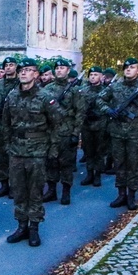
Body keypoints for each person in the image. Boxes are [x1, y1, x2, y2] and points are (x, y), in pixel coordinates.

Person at [2, 58, 60, 247]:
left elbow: (57, 123)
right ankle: (21, 226)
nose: (23, 73)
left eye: (28, 70)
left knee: (35, 191)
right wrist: (7, 146)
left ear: (36, 74)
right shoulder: (11, 96)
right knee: (19, 191)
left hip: (37, 151)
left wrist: (53, 149)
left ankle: (34, 228)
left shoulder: (45, 97)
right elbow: (5, 123)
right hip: (17, 151)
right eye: (21, 71)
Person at [97, 57, 138, 210]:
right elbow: (99, 99)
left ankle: (131, 196)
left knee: (134, 165)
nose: (128, 69)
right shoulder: (115, 86)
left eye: (132, 67)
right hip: (117, 132)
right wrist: (109, 110)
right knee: (119, 164)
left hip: (136, 132)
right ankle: (121, 194)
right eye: (126, 67)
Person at [43, 57, 85, 205]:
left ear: (68, 71)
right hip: (50, 132)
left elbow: (80, 113)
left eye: (62, 68)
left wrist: (76, 134)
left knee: (66, 163)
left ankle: (66, 191)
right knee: (50, 162)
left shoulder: (74, 90)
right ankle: (51, 190)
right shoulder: (47, 89)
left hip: (67, 132)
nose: (59, 70)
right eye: (57, 68)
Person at [0, 56, 19, 198]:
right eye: (6, 65)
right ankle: (4, 184)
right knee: (1, 157)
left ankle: (15, 185)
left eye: (11, 65)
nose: (8, 67)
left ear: (16, 67)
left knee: (14, 157)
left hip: (14, 127)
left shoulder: (20, 84)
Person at [79, 66, 108, 187]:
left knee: (99, 151)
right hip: (87, 125)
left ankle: (97, 175)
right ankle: (89, 173)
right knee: (88, 150)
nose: (93, 77)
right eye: (91, 75)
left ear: (101, 77)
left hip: (100, 124)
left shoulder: (106, 90)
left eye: (96, 75)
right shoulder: (83, 90)